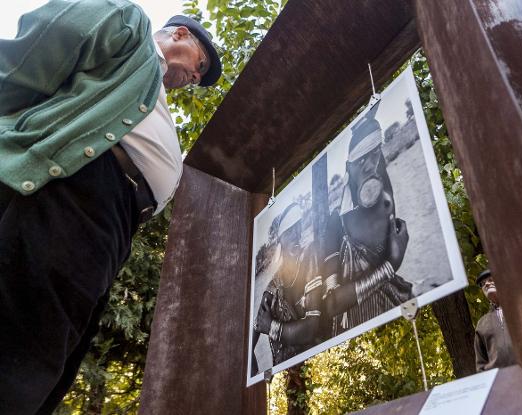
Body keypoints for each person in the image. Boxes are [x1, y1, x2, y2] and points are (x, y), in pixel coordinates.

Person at [0, 1, 221, 413]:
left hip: (111, 231)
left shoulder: (153, 95)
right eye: (200, 64)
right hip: (74, 195)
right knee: (20, 355)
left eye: (200, 76)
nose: (195, 77)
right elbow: (31, 53)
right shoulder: (129, 28)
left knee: (51, 372)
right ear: (178, 35)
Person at [322, 103, 413, 336]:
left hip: (395, 316)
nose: (370, 166)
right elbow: (332, 304)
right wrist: (390, 266)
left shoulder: (385, 201)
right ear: (348, 167)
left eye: (375, 155)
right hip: (356, 327)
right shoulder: (336, 223)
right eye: (361, 160)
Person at [251, 203, 323, 374]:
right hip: (287, 374)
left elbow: (312, 328)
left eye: (298, 229)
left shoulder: (310, 259)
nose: (296, 236)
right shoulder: (273, 287)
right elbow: (252, 339)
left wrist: (271, 328)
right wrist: (254, 379)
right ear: (281, 239)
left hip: (315, 367)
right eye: (290, 231)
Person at [474, 269, 517, 372]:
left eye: (491, 279)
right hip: (499, 381)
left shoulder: (520, 310)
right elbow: (480, 364)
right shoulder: (482, 323)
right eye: (483, 284)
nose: (486, 284)